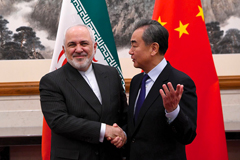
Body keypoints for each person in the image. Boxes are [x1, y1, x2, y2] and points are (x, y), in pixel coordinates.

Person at [39, 24, 128, 160]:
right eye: (72, 44)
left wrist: (123, 136)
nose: (78, 49)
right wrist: (104, 130)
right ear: (64, 50)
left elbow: (124, 115)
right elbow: (59, 121)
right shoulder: (51, 81)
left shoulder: (111, 74)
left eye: (84, 43)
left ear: (95, 47)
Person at [126, 19, 197, 160]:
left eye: (134, 46)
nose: (130, 51)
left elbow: (187, 135)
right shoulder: (136, 81)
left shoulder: (180, 82)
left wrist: (173, 111)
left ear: (154, 48)